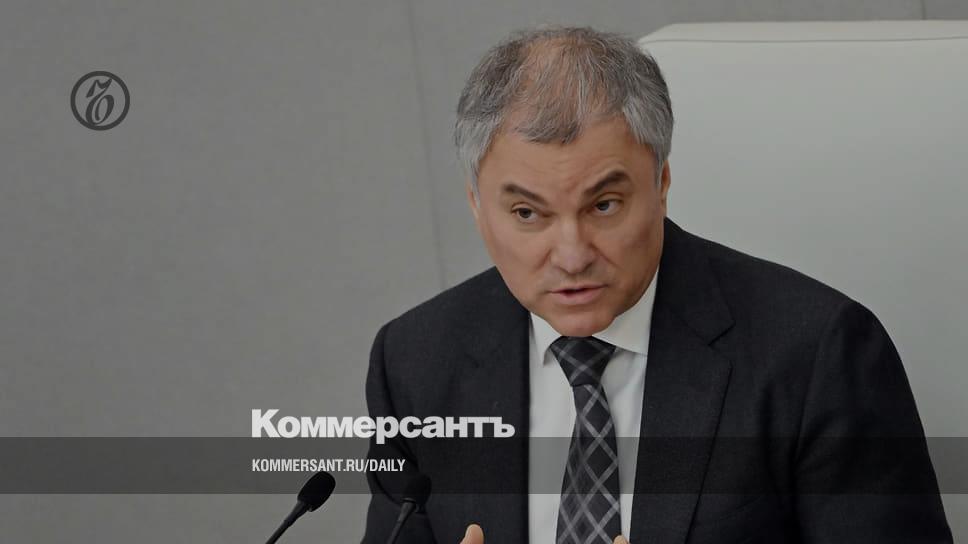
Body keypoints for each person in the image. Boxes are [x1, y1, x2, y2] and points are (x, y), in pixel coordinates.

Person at [360, 26, 952, 543]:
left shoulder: (817, 355)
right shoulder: (415, 363)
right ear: (475, 205)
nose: (572, 256)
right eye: (527, 214)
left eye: (604, 205)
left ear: (661, 183)